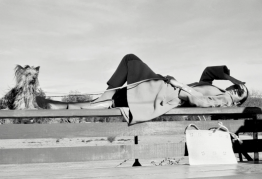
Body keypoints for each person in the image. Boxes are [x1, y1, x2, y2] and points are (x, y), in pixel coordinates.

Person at [41, 54, 248, 124]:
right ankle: (63, 108)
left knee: (129, 64)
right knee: (117, 97)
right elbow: (208, 74)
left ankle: (66, 108)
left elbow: (198, 101)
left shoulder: (224, 99)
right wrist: (228, 75)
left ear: (238, 101)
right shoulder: (219, 89)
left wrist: (179, 84)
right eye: (237, 87)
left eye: (240, 93)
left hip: (165, 92)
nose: (237, 90)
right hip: (161, 90)